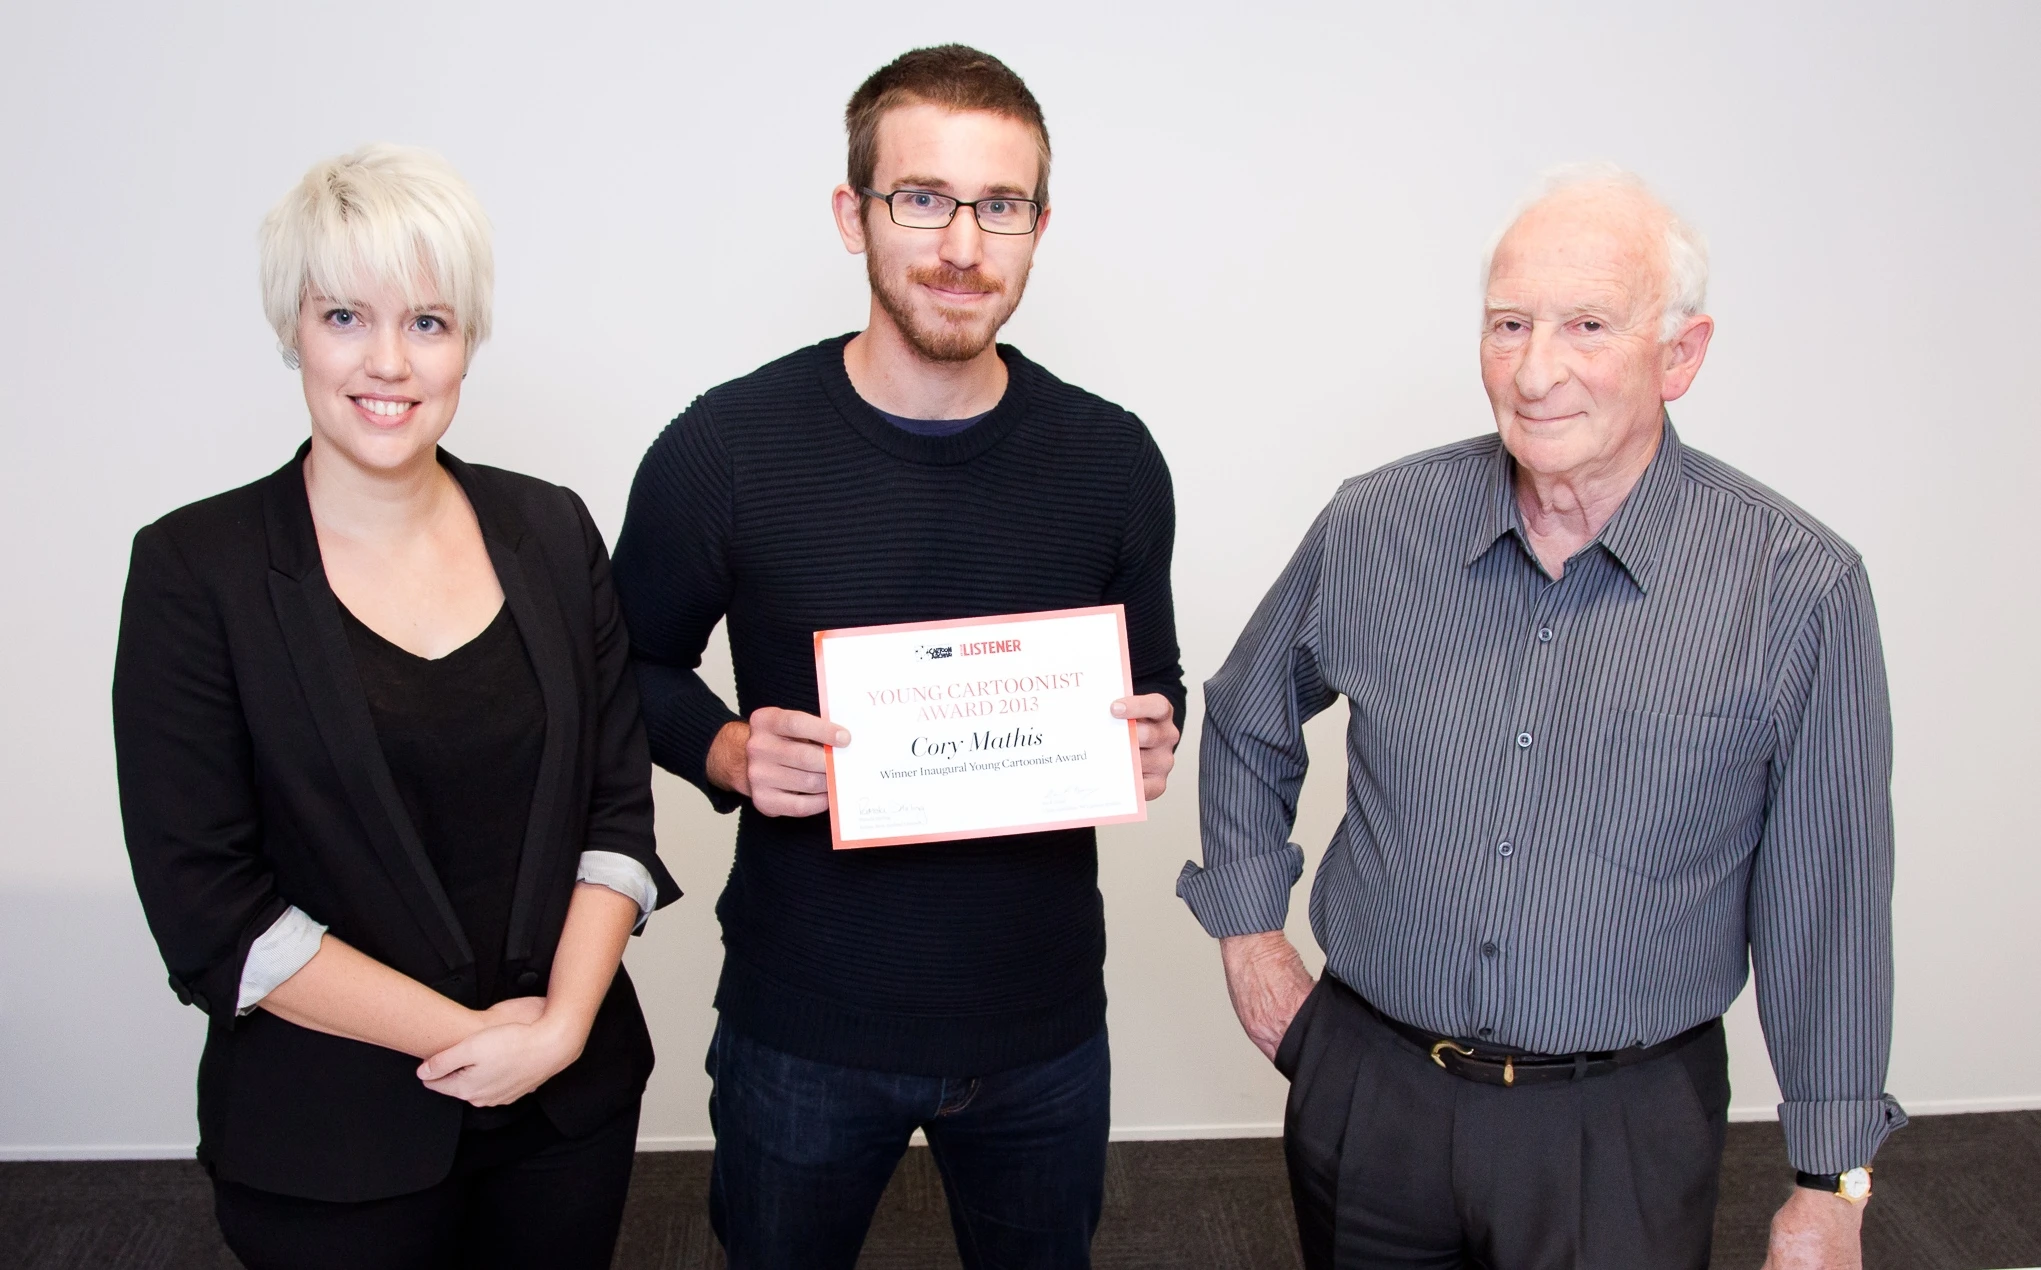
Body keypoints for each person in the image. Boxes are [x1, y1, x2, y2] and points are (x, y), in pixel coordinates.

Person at [1178, 164, 1904, 1269]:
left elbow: (1830, 905)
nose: (1534, 368)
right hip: (1369, 1097)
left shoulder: (1794, 587)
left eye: (1587, 325)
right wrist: (1249, 940)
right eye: (1507, 323)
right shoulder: (1377, 526)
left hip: (1617, 1130)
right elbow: (1243, 719)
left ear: (1681, 355)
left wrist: (1829, 1187)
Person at [611, 44, 1184, 1270]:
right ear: (852, 213)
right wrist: (722, 746)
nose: (961, 246)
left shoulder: (1111, 461)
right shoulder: (725, 451)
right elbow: (625, 668)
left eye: (1000, 206)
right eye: (921, 198)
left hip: (1039, 1031)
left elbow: (1158, 679)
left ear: (1039, 226)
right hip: (803, 1026)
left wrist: (1153, 732)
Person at [112, 144, 679, 1270]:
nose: (389, 361)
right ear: (292, 329)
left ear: (467, 338)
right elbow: (212, 913)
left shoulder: (553, 531)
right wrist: (476, 1042)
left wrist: (560, 1030)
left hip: (566, 1109)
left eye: (428, 321)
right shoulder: (197, 569)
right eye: (343, 317)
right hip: (332, 1142)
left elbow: (617, 817)